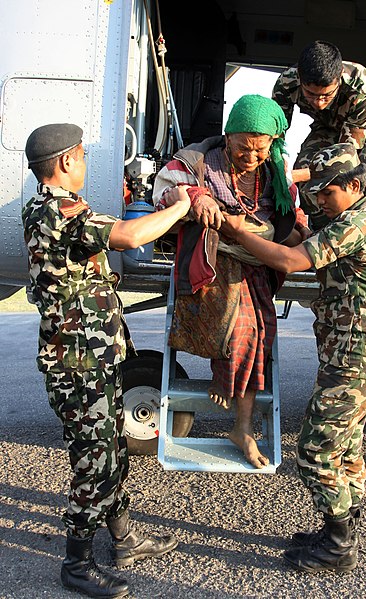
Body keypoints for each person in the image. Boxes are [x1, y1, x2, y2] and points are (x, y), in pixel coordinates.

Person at [22, 123, 191, 598]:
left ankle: (125, 539)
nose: (86, 164)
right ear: (67, 162)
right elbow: (128, 235)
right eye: (82, 156)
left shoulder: (46, 208)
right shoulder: (59, 209)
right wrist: (179, 207)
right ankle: (77, 563)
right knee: (94, 461)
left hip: (94, 356)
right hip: (79, 364)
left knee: (112, 449)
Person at [220, 142, 366, 572]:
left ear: (353, 185)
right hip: (356, 354)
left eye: (326, 192)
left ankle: (339, 546)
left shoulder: (355, 223)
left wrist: (237, 232)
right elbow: (306, 238)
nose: (319, 200)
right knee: (346, 446)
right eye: (315, 193)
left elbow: (292, 259)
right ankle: (341, 528)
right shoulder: (349, 215)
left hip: (357, 358)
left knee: (315, 450)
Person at [152, 94, 309, 469]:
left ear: (272, 144)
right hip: (212, 259)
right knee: (239, 327)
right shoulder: (198, 161)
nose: (251, 156)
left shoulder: (275, 171)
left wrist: (294, 232)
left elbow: (294, 215)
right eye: (243, 147)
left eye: (260, 149)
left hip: (258, 260)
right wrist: (195, 195)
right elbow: (163, 192)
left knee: (261, 331)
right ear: (228, 137)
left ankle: (242, 427)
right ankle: (234, 407)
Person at [272, 39, 366, 231]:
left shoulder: (361, 85)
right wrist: (280, 165)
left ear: (339, 78)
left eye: (326, 96)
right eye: (311, 95)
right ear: (300, 78)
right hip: (327, 125)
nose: (319, 103)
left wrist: (295, 175)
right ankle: (325, 231)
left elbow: (345, 157)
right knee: (306, 167)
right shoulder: (286, 84)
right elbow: (276, 134)